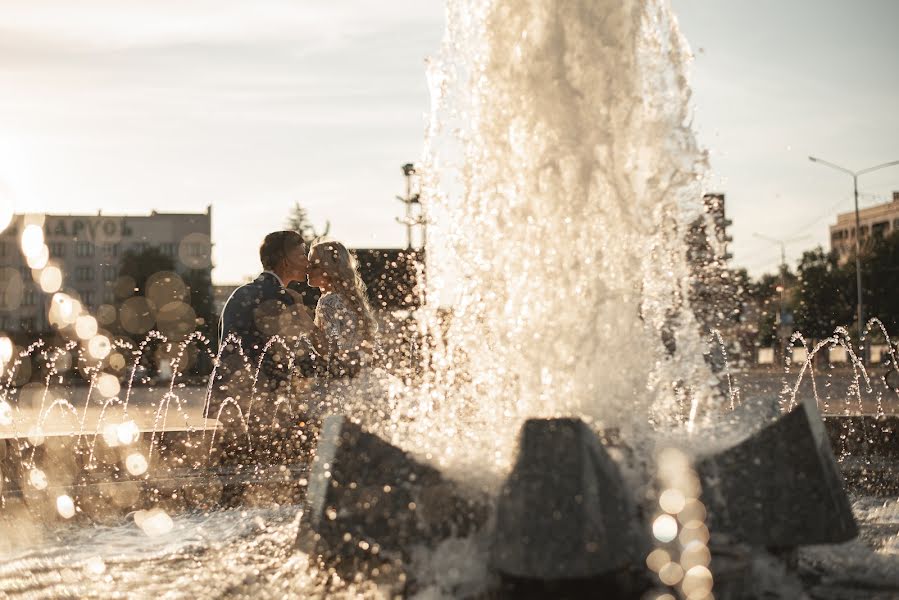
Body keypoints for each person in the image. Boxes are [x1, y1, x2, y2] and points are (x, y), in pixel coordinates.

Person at [304, 239, 384, 423]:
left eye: (314, 265)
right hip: (361, 383)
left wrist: (304, 322)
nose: (308, 269)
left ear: (329, 270)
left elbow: (329, 350)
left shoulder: (328, 302)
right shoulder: (351, 301)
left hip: (339, 386)